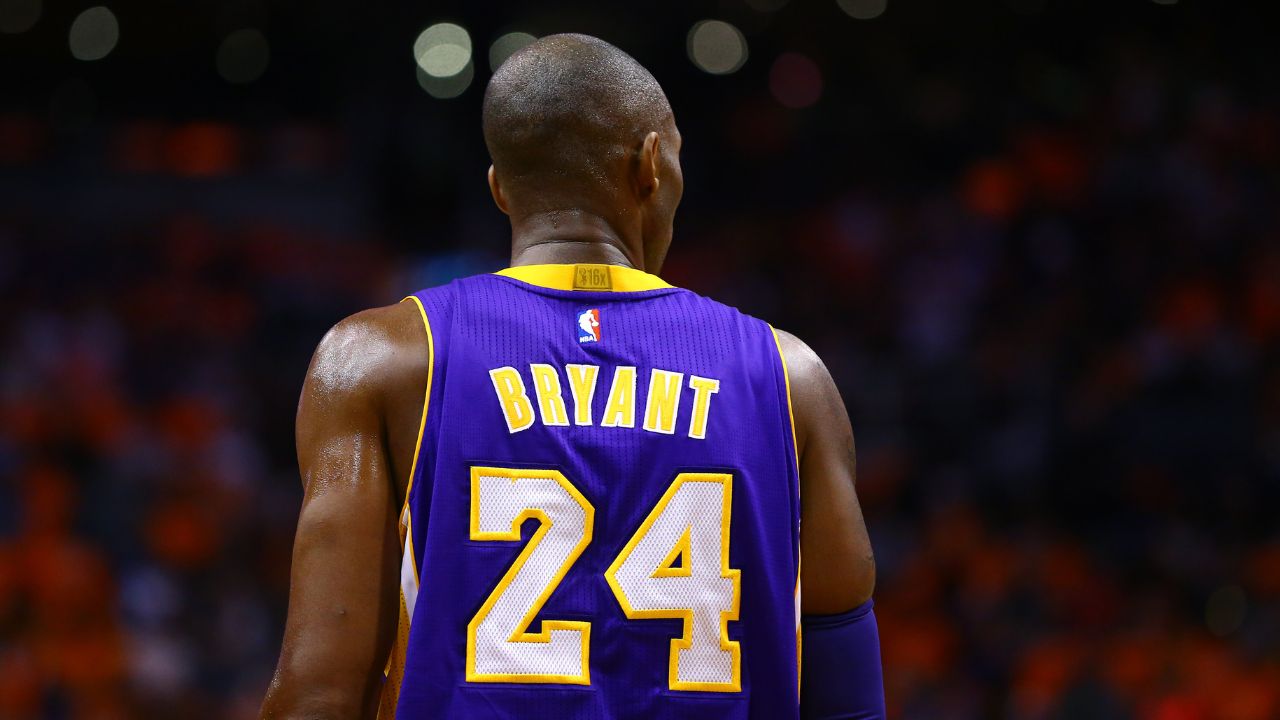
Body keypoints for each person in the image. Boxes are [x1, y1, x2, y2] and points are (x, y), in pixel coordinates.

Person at [260, 33, 884, 720]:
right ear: (651, 165)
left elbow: (317, 694)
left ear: (501, 190)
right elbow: (847, 696)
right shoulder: (789, 378)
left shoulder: (383, 358)